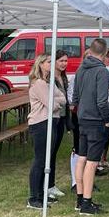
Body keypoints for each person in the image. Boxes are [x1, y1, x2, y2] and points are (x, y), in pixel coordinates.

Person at [72, 38, 109, 215]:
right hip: (96, 119)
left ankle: (80, 199)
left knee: (82, 157)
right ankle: (87, 203)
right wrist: (107, 119)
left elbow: (75, 96)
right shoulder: (102, 71)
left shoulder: (81, 68)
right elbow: (102, 101)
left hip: (82, 118)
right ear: (104, 53)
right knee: (92, 162)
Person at [27, 54, 67, 210]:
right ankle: (34, 197)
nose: (52, 64)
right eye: (49, 62)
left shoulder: (48, 83)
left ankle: (42, 193)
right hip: (41, 123)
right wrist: (55, 102)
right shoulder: (39, 83)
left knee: (47, 160)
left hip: (51, 121)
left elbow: (63, 98)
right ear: (41, 64)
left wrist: (55, 101)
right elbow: (52, 104)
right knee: (40, 160)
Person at [48, 50, 71, 200]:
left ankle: (51, 184)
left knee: (54, 151)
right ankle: (47, 185)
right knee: (49, 152)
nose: (63, 64)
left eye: (65, 61)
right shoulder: (49, 78)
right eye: (61, 61)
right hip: (52, 117)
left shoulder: (63, 77)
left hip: (61, 117)